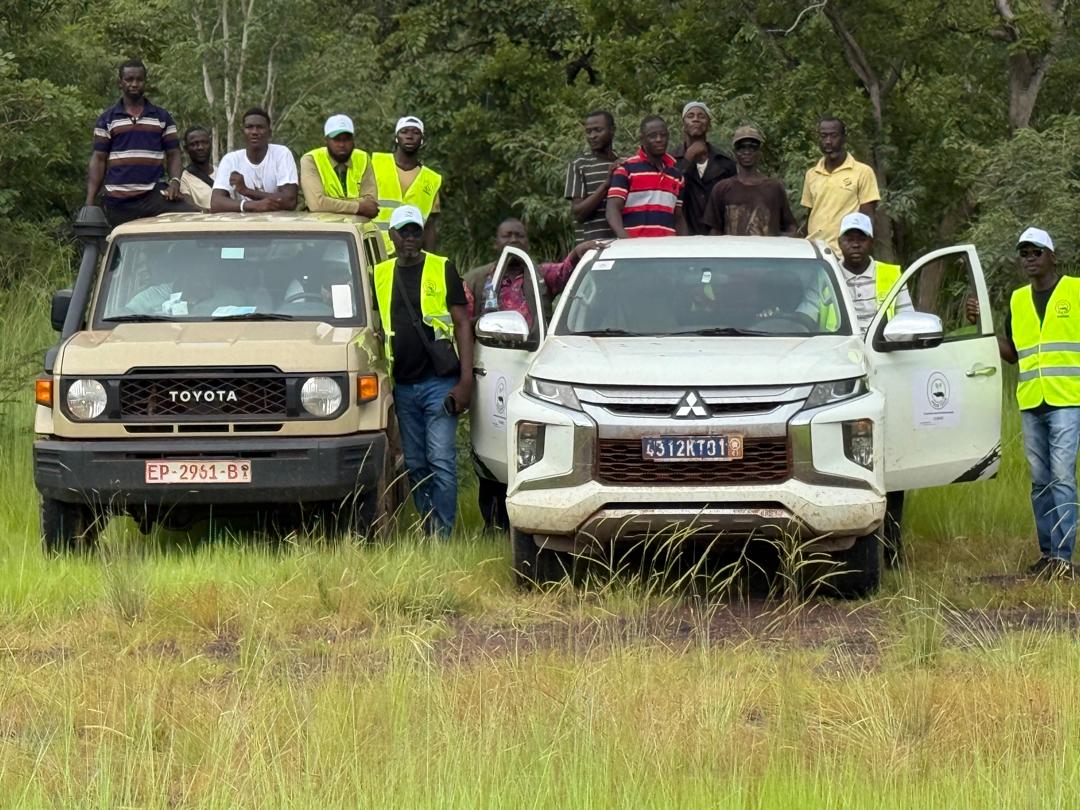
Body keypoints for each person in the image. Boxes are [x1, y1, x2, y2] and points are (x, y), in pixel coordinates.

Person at [969, 228, 1079, 577]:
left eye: (1036, 252)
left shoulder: (1075, 292)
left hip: (1067, 400)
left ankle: (1063, 558)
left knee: (1062, 478)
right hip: (1032, 402)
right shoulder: (1018, 301)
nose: (1030, 259)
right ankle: (1048, 554)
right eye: (1024, 253)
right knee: (1040, 482)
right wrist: (984, 327)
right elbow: (1014, 354)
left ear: (1052, 256)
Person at [372, 205, 473, 537]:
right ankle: (429, 527)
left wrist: (466, 381)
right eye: (404, 232)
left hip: (440, 383)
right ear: (392, 235)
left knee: (440, 460)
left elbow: (462, 324)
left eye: (415, 231)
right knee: (415, 464)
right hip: (402, 386)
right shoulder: (380, 274)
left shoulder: (442, 268)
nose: (410, 238)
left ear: (423, 233)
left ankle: (442, 535)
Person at [86, 59, 195, 227]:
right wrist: (89, 202)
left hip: (154, 197)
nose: (134, 84)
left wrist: (175, 182)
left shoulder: (162, 117)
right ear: (120, 83)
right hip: (118, 201)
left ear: (145, 82)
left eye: (139, 79)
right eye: (129, 79)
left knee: (194, 219)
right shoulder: (107, 119)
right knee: (118, 241)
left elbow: (174, 153)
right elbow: (99, 159)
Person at [463, 218, 605, 328]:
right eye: (507, 236)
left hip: (535, 351)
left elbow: (564, 271)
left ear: (528, 244)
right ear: (496, 244)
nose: (514, 240)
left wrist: (576, 253)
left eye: (519, 235)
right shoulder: (475, 279)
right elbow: (463, 324)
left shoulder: (540, 274)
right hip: (489, 352)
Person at [801, 116, 880, 253]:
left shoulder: (863, 172)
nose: (828, 141)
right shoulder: (812, 174)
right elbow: (810, 216)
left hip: (844, 254)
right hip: (815, 252)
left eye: (833, 136)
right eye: (823, 136)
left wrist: (858, 251)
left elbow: (867, 219)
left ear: (844, 138)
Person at [702, 125, 797, 237]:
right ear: (735, 152)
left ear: (759, 152)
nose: (747, 152)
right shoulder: (722, 188)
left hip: (766, 248)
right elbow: (714, 230)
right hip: (732, 248)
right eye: (741, 147)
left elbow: (790, 226)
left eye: (752, 147)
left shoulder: (774, 188)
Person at [607, 116, 688, 238]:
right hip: (635, 246)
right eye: (652, 136)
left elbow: (678, 217)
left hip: (668, 246)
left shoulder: (676, 176)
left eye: (663, 135)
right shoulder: (626, 169)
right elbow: (612, 209)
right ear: (642, 139)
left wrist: (684, 244)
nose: (659, 139)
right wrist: (626, 241)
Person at [372, 116, 443, 251]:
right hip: (374, 248)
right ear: (396, 137)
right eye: (404, 131)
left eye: (415, 132)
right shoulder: (376, 163)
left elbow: (429, 226)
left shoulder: (431, 179)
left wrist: (430, 259)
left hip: (411, 254)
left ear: (422, 140)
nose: (409, 136)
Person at [210, 107, 298, 213]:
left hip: (277, 221)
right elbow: (216, 203)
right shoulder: (230, 160)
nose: (254, 132)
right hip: (242, 222)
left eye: (260, 127)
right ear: (243, 132)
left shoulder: (282, 154)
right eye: (249, 127)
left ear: (269, 133)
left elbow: (290, 201)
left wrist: (246, 191)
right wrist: (251, 206)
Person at [671, 101, 736, 235]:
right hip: (682, 237)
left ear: (709, 125)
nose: (696, 119)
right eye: (690, 116)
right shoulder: (670, 161)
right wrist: (688, 157)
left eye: (701, 116)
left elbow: (732, 204)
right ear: (683, 124)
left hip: (718, 237)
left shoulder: (724, 162)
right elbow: (670, 191)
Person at [300, 114, 379, 217]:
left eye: (347, 139)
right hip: (324, 225)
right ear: (326, 140)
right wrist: (358, 207)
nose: (342, 144)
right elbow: (316, 204)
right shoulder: (311, 160)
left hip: (357, 225)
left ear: (353, 140)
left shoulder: (363, 158)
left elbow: (371, 204)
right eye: (336, 139)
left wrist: (329, 202)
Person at [564, 110, 620, 244]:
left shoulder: (625, 162)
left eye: (598, 130)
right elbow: (578, 214)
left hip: (622, 245)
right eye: (588, 132)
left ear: (612, 130)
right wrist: (606, 185)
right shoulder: (579, 165)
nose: (592, 136)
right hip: (592, 247)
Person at [178, 126, 216, 212]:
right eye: (194, 144)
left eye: (204, 142)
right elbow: (190, 206)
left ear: (210, 144)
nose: (200, 147)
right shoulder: (183, 178)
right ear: (186, 149)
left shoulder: (222, 172)